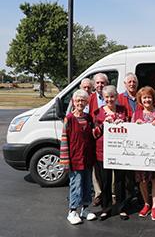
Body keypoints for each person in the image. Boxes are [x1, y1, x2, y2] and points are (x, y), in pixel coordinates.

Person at [59, 89, 97, 225]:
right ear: (73, 102)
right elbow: (64, 140)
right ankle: (72, 211)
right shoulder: (69, 118)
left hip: (87, 158)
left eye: (83, 100)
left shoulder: (88, 118)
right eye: (78, 100)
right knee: (76, 184)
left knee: (88, 184)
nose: (80, 103)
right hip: (74, 159)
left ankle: (85, 209)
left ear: (87, 102)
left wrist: (105, 126)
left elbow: (94, 135)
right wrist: (65, 160)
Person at [131, 86, 155, 221]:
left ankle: (154, 207)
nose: (147, 100)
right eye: (144, 98)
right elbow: (131, 134)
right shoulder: (136, 114)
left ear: (153, 98)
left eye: (149, 97)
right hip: (141, 154)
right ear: (140, 100)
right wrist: (136, 126)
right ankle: (146, 203)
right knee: (143, 180)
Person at [93, 85, 129, 220]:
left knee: (120, 181)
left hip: (120, 151)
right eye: (107, 97)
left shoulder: (122, 110)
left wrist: (123, 122)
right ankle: (106, 208)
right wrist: (103, 125)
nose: (110, 99)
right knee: (106, 181)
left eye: (112, 96)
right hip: (103, 152)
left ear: (116, 97)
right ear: (103, 97)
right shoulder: (98, 113)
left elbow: (130, 127)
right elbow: (94, 134)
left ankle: (122, 208)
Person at [88, 73, 109, 207]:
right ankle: (98, 194)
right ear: (94, 85)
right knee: (96, 169)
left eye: (103, 82)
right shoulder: (89, 98)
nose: (100, 85)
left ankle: (110, 194)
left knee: (108, 169)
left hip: (111, 138)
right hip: (94, 136)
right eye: (98, 83)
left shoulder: (113, 97)